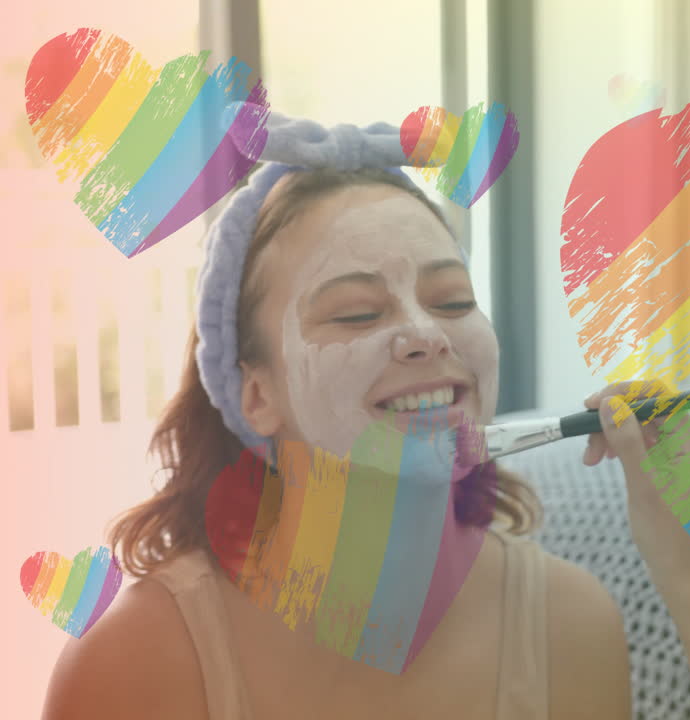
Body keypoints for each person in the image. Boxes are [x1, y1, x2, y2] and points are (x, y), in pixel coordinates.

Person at [41, 112, 635, 719]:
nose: (426, 334)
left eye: (453, 300)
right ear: (257, 396)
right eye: (356, 313)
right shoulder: (133, 662)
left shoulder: (571, 626)